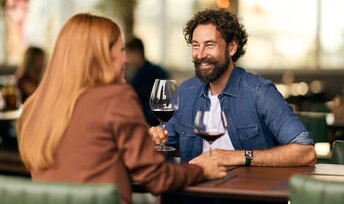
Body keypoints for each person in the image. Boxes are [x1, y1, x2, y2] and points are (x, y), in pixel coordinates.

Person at [16, 13, 226, 204]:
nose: (126, 59)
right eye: (120, 50)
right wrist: (200, 170)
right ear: (99, 55)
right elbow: (157, 179)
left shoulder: (33, 107)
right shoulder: (116, 97)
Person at [149, 8, 317, 167]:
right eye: (195, 45)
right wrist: (152, 139)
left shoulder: (260, 93)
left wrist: (238, 156)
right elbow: (162, 147)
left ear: (231, 47)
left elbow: (306, 152)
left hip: (247, 194)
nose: (200, 55)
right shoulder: (185, 92)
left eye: (210, 45)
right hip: (194, 195)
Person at [125, 37, 169, 127]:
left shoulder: (150, 74)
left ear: (136, 53)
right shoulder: (139, 74)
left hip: (151, 127)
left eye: (128, 54)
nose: (126, 59)